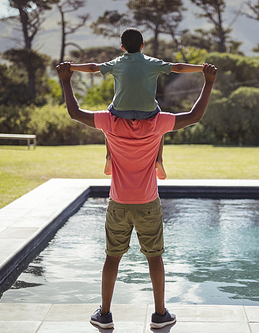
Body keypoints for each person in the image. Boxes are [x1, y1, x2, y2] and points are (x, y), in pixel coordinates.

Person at [56, 61, 217, 329]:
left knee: (112, 257)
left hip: (118, 203)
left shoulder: (109, 121)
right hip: (148, 203)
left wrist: (65, 79)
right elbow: (194, 116)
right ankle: (159, 315)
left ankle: (105, 315)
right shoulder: (158, 122)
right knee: (154, 257)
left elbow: (75, 112)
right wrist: (208, 83)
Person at [69, 28, 204, 180]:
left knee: (107, 117)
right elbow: (178, 67)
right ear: (143, 45)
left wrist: (71, 67)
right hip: (148, 113)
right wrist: (202, 68)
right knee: (160, 121)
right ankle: (159, 160)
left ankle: (109, 156)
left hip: (120, 111)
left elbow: (93, 67)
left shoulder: (117, 63)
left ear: (123, 48)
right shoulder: (152, 63)